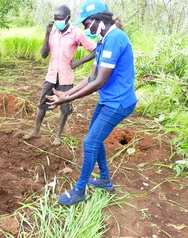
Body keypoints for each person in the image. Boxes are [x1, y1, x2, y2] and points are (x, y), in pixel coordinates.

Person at [46, 0, 137, 205]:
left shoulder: (115, 39)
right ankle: (105, 180)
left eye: (87, 24)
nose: (86, 29)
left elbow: (99, 82)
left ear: (98, 21)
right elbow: (91, 77)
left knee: (90, 143)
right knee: (94, 139)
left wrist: (67, 98)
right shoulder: (104, 40)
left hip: (119, 103)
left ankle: (79, 191)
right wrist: (64, 95)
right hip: (108, 99)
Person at [23, 5, 96, 146]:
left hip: (65, 77)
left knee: (64, 106)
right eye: (55, 18)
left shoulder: (76, 33)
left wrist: (78, 62)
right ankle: (36, 130)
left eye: (60, 19)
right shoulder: (53, 31)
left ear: (68, 18)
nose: (57, 21)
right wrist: (46, 33)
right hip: (51, 75)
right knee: (42, 104)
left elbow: (94, 50)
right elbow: (44, 55)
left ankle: (58, 135)